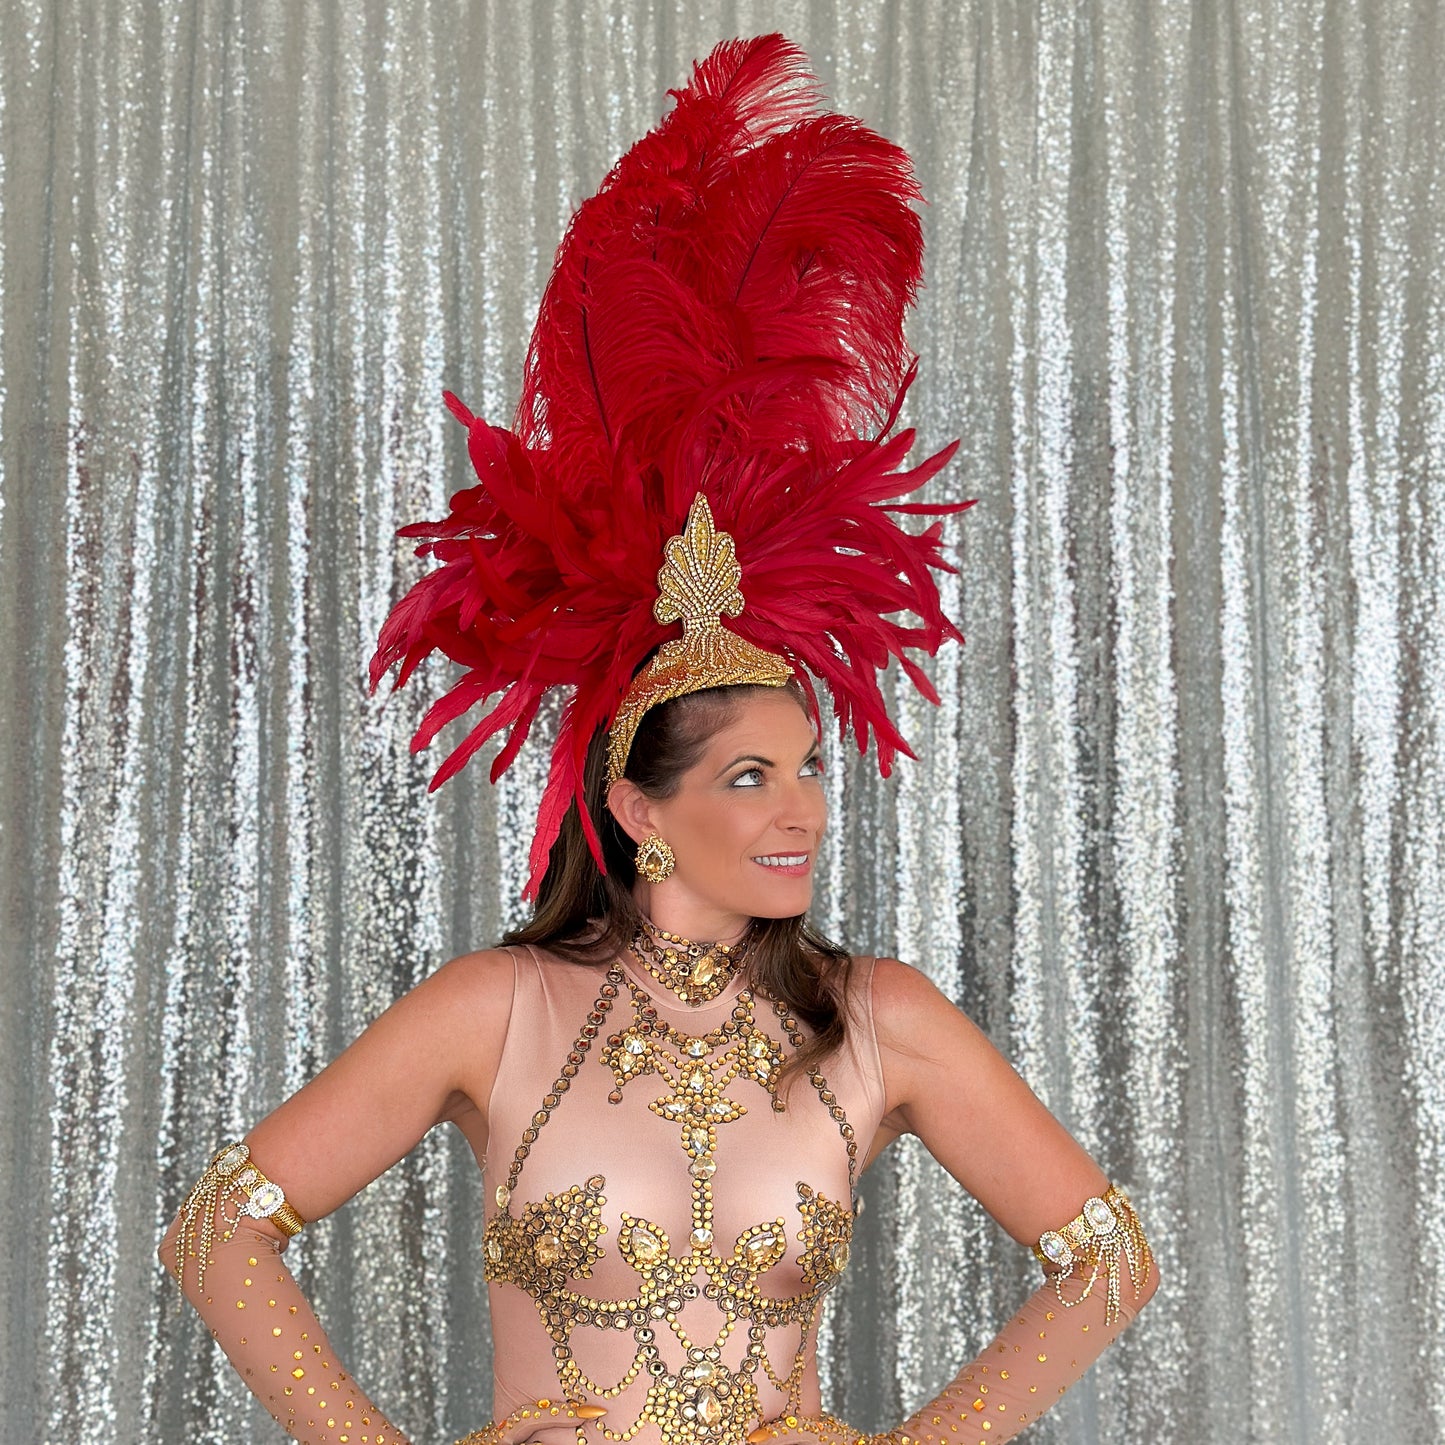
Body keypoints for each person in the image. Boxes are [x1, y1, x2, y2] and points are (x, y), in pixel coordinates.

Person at [159, 33, 1157, 1445]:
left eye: (810, 766)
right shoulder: (492, 1009)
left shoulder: (881, 1018)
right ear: (635, 806)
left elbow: (1105, 1258)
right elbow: (216, 1234)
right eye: (750, 775)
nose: (801, 807)